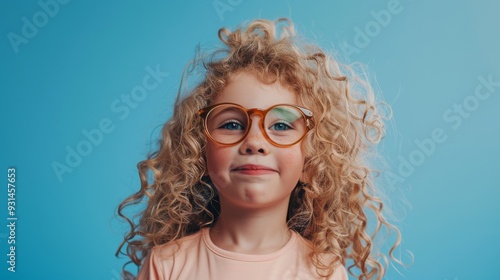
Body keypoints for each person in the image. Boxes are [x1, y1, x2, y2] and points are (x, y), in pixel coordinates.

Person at [116, 18, 402, 280]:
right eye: (231, 125)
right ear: (199, 150)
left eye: (280, 126)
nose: (254, 142)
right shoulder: (167, 265)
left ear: (312, 161)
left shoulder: (324, 273)